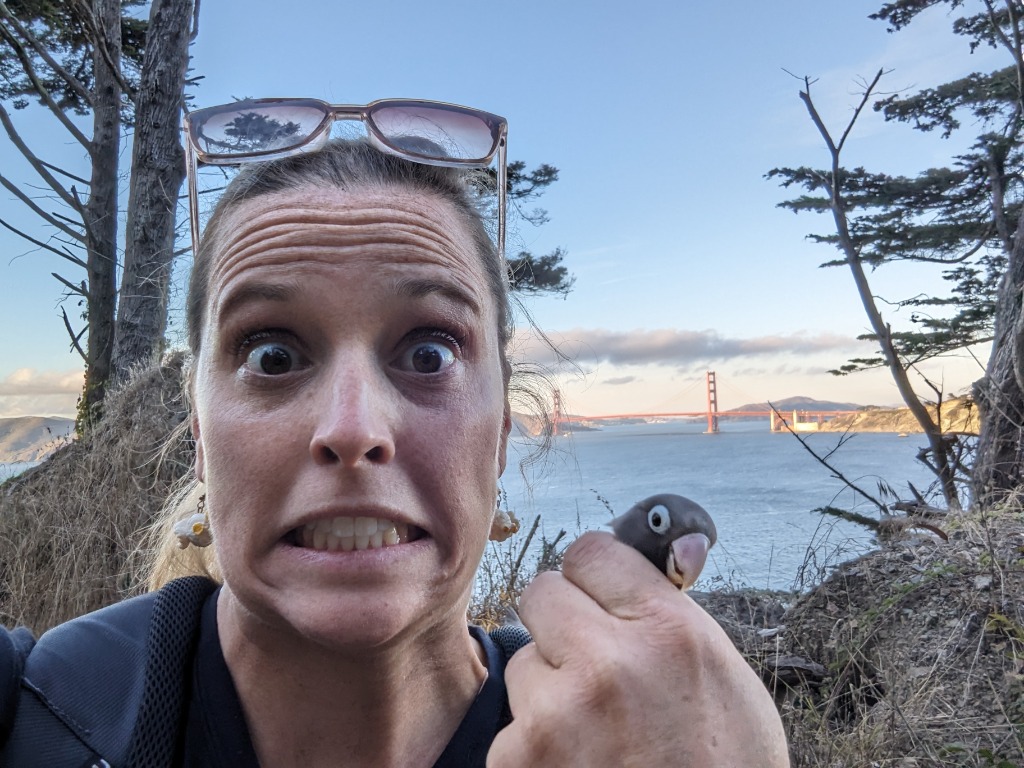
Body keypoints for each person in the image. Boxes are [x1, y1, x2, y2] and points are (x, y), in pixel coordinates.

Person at [0, 98, 789, 767]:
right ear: (200, 436)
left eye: (429, 352)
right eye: (272, 355)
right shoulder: (25, 713)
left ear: (504, 429)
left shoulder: (633, 742)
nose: (354, 429)